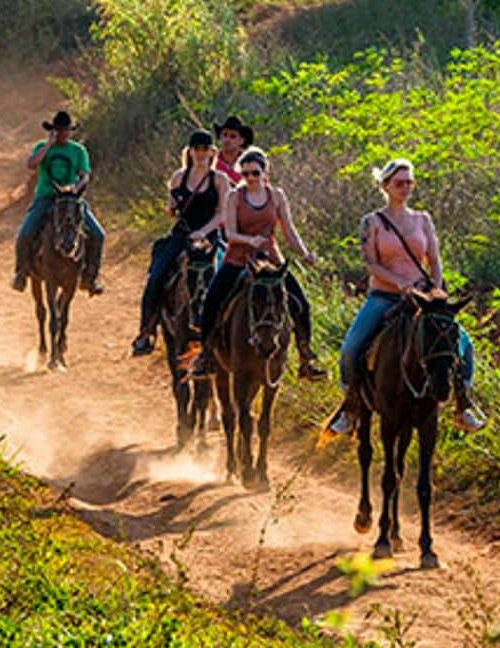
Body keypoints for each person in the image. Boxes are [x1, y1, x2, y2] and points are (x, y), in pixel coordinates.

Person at [324, 158, 484, 437]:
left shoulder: (423, 219)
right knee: (351, 348)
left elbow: (434, 259)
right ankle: (350, 408)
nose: (406, 187)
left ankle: (463, 403)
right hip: (384, 296)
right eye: (400, 183)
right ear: (386, 186)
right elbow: (371, 263)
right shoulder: (372, 222)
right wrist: (400, 284)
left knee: (463, 343)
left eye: (409, 182)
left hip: (424, 297)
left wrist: (435, 290)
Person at [189, 146, 327, 380]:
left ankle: (306, 355)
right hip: (239, 259)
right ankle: (206, 355)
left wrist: (305, 254)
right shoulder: (235, 197)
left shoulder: (277, 196)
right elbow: (230, 233)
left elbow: (289, 231)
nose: (250, 178)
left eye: (254, 173)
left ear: (265, 173)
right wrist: (250, 240)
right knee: (212, 300)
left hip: (271, 260)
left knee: (300, 303)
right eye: (245, 174)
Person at [129, 129, 230, 357]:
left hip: (210, 236)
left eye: (205, 149)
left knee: (226, 277)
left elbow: (223, 214)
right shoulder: (178, 177)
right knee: (157, 276)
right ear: (190, 151)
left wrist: (204, 231)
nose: (201, 154)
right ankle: (146, 331)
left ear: (212, 152)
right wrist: (172, 208)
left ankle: (230, 332)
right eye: (197, 149)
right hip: (182, 235)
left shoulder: (219, 180)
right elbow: (171, 210)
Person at [12, 110, 105, 294]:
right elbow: (31, 164)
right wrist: (48, 145)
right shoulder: (42, 146)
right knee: (25, 232)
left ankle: (90, 277)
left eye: (66, 130)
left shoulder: (78, 151)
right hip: (46, 197)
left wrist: (76, 189)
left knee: (98, 234)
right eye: (59, 130)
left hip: (71, 199)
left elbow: (85, 175)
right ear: (53, 131)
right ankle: (21, 273)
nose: (63, 134)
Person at [212, 115, 253, 184]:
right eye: (225, 135)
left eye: (232, 136)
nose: (227, 140)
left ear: (242, 140)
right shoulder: (211, 161)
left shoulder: (251, 163)